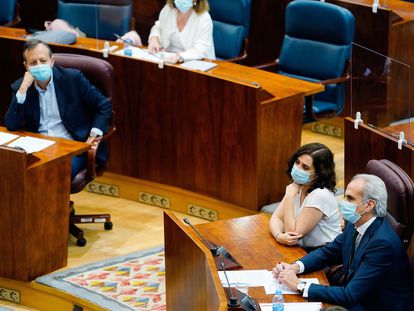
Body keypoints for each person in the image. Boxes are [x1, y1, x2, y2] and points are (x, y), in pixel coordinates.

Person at [273, 174, 414, 310]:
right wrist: (295, 267)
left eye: (350, 198)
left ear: (369, 205)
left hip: (374, 305)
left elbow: (349, 295)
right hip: (357, 296)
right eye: (345, 196)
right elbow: (327, 253)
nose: (343, 202)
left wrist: (299, 285)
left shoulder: (382, 245)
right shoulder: (355, 224)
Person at [4, 39, 112, 180]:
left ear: (52, 61)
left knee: (54, 174)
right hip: (39, 147)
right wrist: (23, 89)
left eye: (43, 60)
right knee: (14, 170)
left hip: (71, 147)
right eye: (33, 63)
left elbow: (104, 104)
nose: (39, 66)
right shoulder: (21, 87)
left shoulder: (72, 78)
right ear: (26, 66)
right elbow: (12, 125)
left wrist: (93, 135)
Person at [269, 143, 341, 251]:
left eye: (305, 167)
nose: (298, 168)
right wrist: (279, 235)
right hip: (302, 249)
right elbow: (276, 218)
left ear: (319, 173)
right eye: (297, 162)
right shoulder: (298, 185)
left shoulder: (320, 195)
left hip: (325, 253)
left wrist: (289, 197)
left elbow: (292, 235)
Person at [148, 0, 215, 63]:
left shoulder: (204, 18)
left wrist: (179, 57)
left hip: (195, 65)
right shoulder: (168, 9)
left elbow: (201, 50)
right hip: (167, 61)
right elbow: (158, 27)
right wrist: (154, 38)